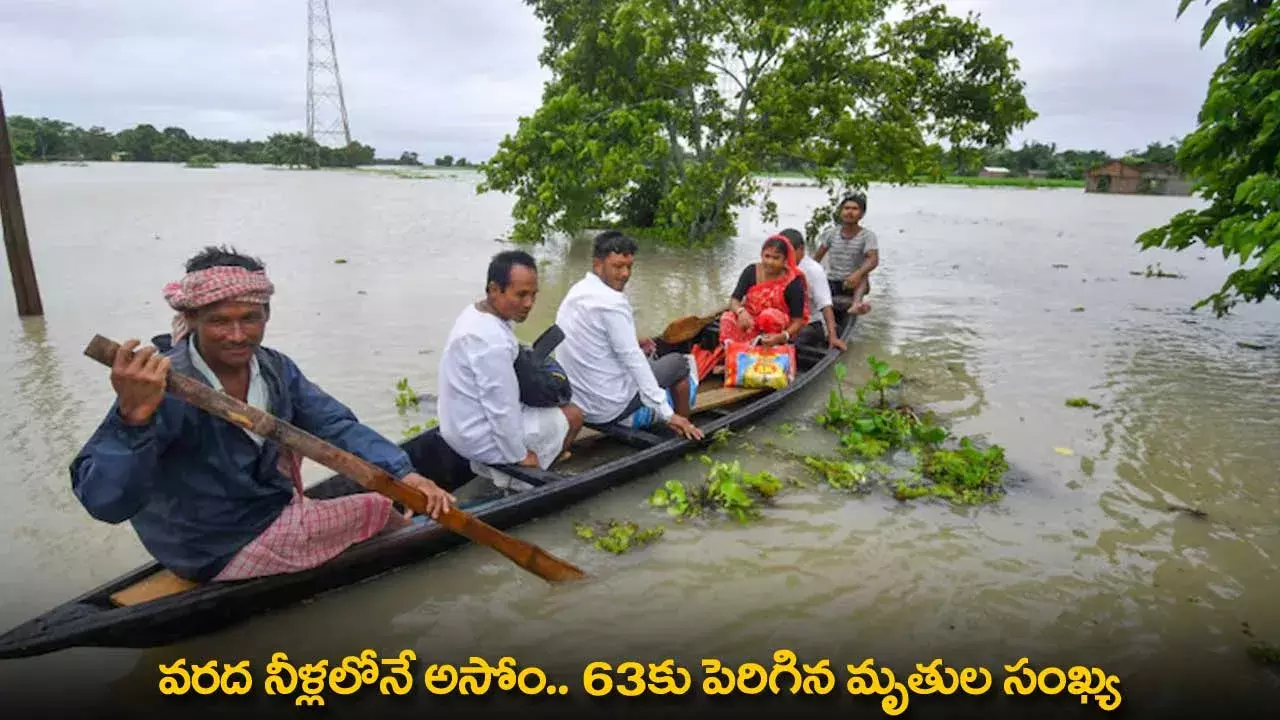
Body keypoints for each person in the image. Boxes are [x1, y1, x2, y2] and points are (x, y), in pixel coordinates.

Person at [69, 245, 457, 584]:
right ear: (192, 321)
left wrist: (404, 471)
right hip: (210, 546)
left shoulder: (274, 369)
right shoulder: (163, 388)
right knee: (374, 505)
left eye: (249, 319)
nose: (238, 335)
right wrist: (132, 418)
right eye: (219, 321)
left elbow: (334, 424)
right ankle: (406, 543)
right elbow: (106, 503)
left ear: (267, 316)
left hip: (258, 508)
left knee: (362, 486)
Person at [437, 250, 585, 478]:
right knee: (574, 415)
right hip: (476, 434)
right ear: (495, 289)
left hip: (457, 425)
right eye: (521, 295)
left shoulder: (477, 313)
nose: (529, 303)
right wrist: (519, 455)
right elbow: (501, 409)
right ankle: (525, 479)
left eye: (533, 295)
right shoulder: (490, 342)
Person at [554, 231, 704, 440]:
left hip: (576, 401)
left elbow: (597, 337)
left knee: (646, 357)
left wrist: (633, 341)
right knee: (679, 363)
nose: (625, 274)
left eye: (629, 266)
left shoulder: (578, 291)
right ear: (598, 264)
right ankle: (683, 428)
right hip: (607, 407)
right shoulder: (612, 302)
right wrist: (667, 413)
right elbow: (633, 360)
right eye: (617, 267)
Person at [719, 234, 810, 348]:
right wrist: (741, 312)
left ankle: (765, 348)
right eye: (767, 256)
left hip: (776, 328)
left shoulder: (793, 282)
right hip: (750, 321)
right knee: (727, 317)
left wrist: (783, 336)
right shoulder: (751, 271)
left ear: (785, 260)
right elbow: (734, 300)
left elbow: (797, 321)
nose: (770, 262)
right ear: (761, 255)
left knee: (768, 316)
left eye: (776, 258)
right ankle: (734, 350)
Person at [778, 228, 848, 351]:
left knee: (790, 344)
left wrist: (833, 336)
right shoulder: (778, 265)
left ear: (801, 249)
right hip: (783, 320)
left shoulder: (813, 270)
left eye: (788, 252)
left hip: (810, 323)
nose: (784, 257)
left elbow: (825, 305)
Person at [813, 191, 879, 314]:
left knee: (863, 275)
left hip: (854, 284)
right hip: (833, 280)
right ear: (841, 212)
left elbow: (873, 260)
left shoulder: (867, 236)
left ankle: (856, 304)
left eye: (854, 209)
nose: (849, 212)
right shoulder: (831, 234)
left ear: (862, 214)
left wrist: (857, 274)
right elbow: (816, 259)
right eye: (846, 208)